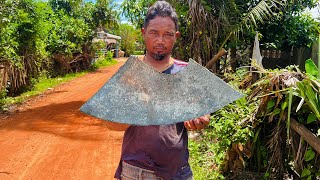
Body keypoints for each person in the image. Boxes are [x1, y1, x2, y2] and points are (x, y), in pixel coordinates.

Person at [108, 1, 210, 179]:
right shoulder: (130, 74)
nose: (160, 41)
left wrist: (200, 119)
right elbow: (110, 123)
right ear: (143, 33)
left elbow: (201, 112)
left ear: (176, 36)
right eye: (154, 33)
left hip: (178, 171)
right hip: (136, 172)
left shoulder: (186, 73)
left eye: (168, 35)